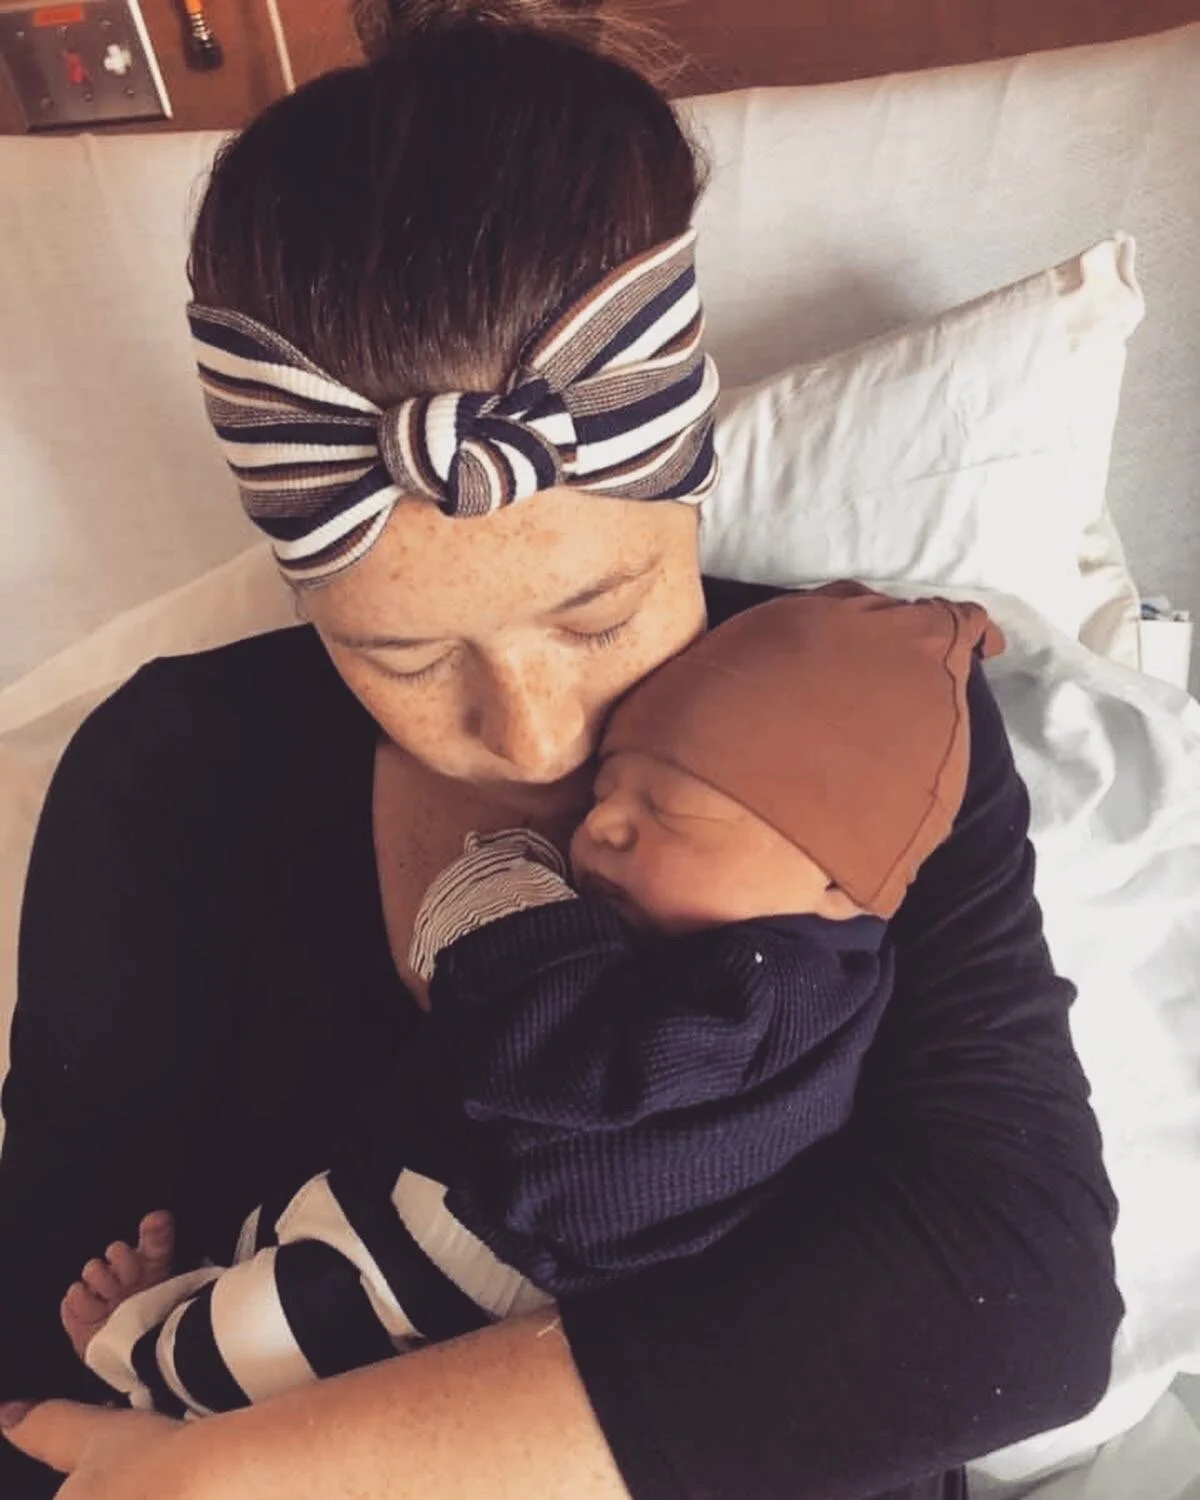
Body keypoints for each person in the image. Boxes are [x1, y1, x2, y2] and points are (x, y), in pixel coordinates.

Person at [0, 3, 1120, 1498]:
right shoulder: (168, 779)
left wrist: (264, 1473)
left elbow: (1016, 1302)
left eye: (602, 612)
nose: (538, 736)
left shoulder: (866, 719)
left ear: (691, 485)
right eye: (403, 656)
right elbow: (43, 1351)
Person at [64, 585, 1003, 1418]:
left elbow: (578, 1063)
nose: (602, 826)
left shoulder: (775, 991)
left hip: (510, 1257)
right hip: (466, 1215)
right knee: (291, 1260)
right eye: (610, 790)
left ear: (835, 884)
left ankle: (140, 1363)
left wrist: (506, 912)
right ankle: (178, 1312)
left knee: (277, 1332)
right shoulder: (760, 950)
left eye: (665, 812)